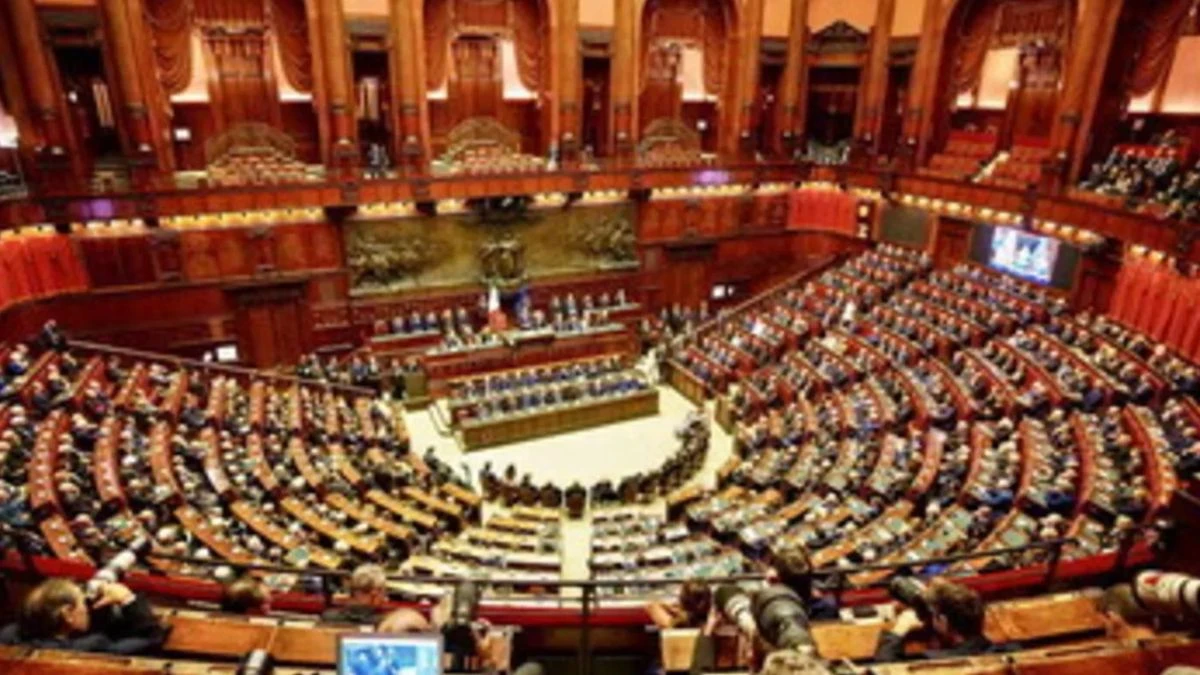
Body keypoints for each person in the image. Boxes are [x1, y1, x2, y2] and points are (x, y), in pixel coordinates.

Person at [0, 578, 169, 655]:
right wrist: (127, 599)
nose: (87, 609)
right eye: (82, 603)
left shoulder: (8, 636)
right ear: (67, 614)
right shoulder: (91, 647)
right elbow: (152, 637)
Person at [873, 580, 1009, 661]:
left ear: (942, 622)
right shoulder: (1008, 652)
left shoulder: (933, 664)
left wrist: (898, 631)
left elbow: (884, 670)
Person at [321, 564, 389, 624]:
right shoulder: (384, 622)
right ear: (374, 593)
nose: (384, 596)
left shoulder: (328, 617)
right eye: (383, 591)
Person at [646, 581, 712, 630]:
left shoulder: (674, 625)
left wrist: (673, 609)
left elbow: (651, 605)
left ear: (682, 600)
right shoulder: (712, 625)